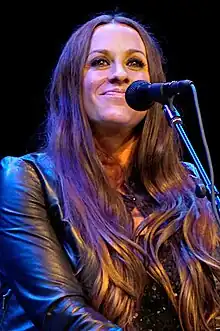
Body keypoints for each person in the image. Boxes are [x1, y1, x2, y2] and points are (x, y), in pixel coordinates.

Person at [0, 11, 219, 331]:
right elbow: (60, 311)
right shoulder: (26, 179)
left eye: (134, 63)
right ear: (73, 83)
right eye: (100, 62)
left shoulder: (190, 184)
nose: (120, 75)